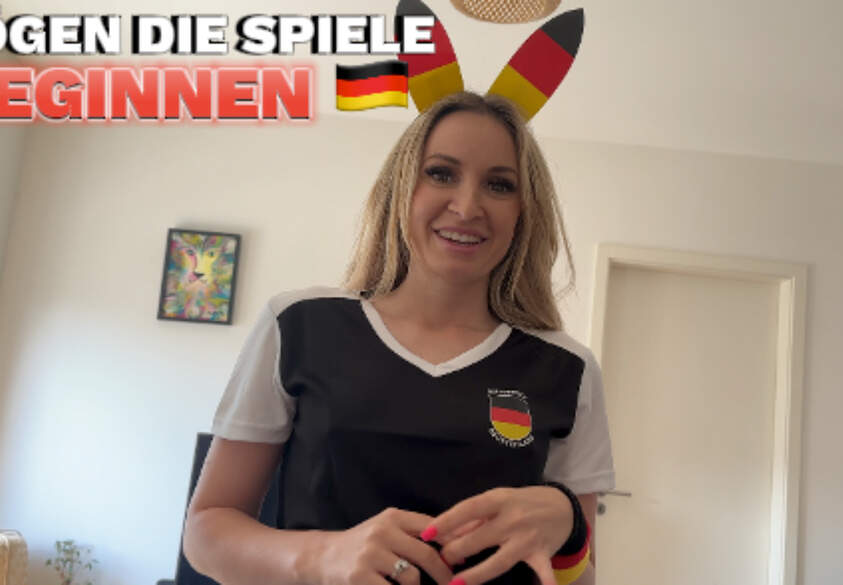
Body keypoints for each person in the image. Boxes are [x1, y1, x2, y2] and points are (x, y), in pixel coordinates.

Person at [182, 91, 615, 585]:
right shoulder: (299, 325)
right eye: (441, 173)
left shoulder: (568, 370)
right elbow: (206, 532)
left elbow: (582, 579)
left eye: (499, 184)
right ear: (401, 187)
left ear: (524, 211)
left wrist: (570, 531)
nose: (467, 206)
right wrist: (323, 556)